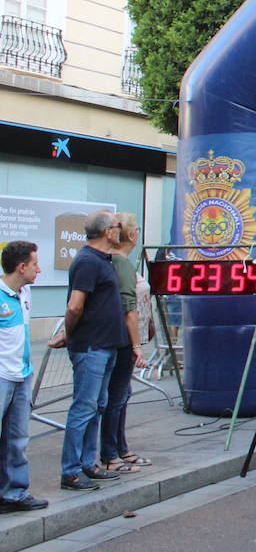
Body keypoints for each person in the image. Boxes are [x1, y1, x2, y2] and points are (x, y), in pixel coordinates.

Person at [55, 211, 128, 491]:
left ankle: (87, 464)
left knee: (96, 406)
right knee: (84, 407)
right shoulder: (87, 261)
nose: (119, 231)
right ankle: (71, 470)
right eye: (117, 227)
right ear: (107, 232)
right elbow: (75, 305)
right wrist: (69, 333)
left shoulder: (102, 260)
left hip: (105, 345)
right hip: (91, 346)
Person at [99, 213, 148, 473]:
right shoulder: (122, 264)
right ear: (131, 235)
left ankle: (119, 448)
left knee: (120, 395)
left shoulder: (116, 262)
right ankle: (111, 453)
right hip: (121, 340)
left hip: (118, 339)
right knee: (116, 397)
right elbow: (128, 308)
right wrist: (135, 346)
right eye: (137, 229)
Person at [0, 241, 46, 511]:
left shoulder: (25, 292)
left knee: (17, 438)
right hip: (2, 375)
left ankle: (14, 492)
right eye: (34, 264)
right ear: (21, 267)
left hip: (21, 375)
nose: (38, 269)